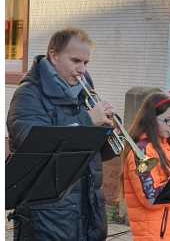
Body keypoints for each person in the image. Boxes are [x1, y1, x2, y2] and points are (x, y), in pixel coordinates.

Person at [7, 28, 117, 241]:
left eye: (86, 63)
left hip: (88, 208)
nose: (82, 69)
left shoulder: (83, 91)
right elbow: (33, 144)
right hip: (47, 216)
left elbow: (93, 154)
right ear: (54, 55)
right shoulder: (28, 94)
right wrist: (87, 121)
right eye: (76, 61)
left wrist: (109, 133)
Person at [122, 92, 170, 241]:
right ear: (151, 120)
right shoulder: (141, 152)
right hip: (156, 235)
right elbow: (150, 198)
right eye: (167, 120)